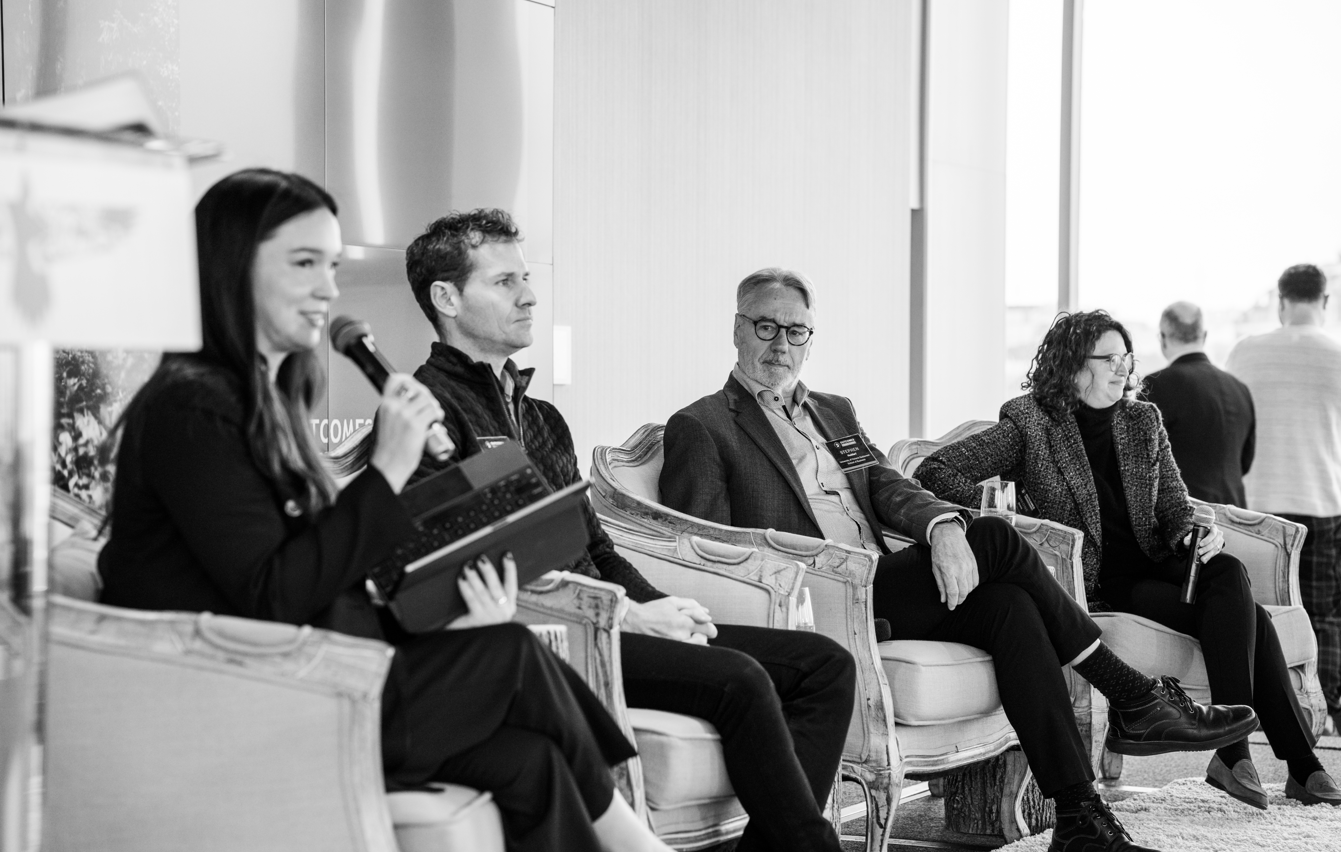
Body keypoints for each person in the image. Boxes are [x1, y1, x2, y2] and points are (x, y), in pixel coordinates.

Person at [96, 169, 674, 852]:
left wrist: (443, 611)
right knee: (511, 653)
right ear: (231, 267)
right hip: (250, 703)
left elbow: (317, 574)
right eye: (304, 263)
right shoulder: (191, 407)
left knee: (532, 762)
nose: (328, 289)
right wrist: (388, 471)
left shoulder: (260, 402)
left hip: (306, 679)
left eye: (333, 266)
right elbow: (273, 594)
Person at [659, 268, 1260, 852]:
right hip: (816, 594)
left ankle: (1079, 815)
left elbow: (890, 487)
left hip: (883, 581)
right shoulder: (705, 425)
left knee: (1010, 606)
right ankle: (1130, 693)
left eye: (797, 332)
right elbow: (711, 552)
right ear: (738, 329)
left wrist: (943, 524)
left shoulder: (831, 411)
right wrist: (953, 532)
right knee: (996, 538)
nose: (781, 344)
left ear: (810, 341)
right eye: (766, 327)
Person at [395, 209, 857, 852]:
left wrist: (658, 604)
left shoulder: (544, 421)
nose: (529, 294)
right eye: (504, 283)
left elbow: (596, 548)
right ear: (446, 298)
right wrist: (627, 619)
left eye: (526, 277)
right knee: (744, 680)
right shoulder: (429, 414)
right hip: (552, 637)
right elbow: (477, 572)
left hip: (617, 619)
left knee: (827, 666)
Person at [918, 309, 1340, 812]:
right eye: (1109, 358)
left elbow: (1174, 506)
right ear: (1074, 366)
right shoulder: (1030, 422)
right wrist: (1014, 517)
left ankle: (1237, 756)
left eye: (1126, 357)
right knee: (1254, 616)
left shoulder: (1143, 419)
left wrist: (1194, 534)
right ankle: (1297, 765)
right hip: (1100, 581)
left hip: (1158, 563)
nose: (1123, 368)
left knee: (1227, 571)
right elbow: (935, 469)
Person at [1227, 263, 1341, 738]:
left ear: (1281, 300)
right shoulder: (1337, 353)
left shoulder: (1245, 352)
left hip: (1258, 507)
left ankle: (1260, 711)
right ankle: (1324, 713)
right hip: (1323, 499)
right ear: (1325, 301)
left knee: (1260, 610)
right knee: (1324, 612)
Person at [1142, 301, 1255, 506]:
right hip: (1236, 516)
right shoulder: (1239, 388)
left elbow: (1140, 463)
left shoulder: (1155, 385)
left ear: (1163, 338)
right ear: (1204, 336)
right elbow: (1245, 462)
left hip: (1186, 519)